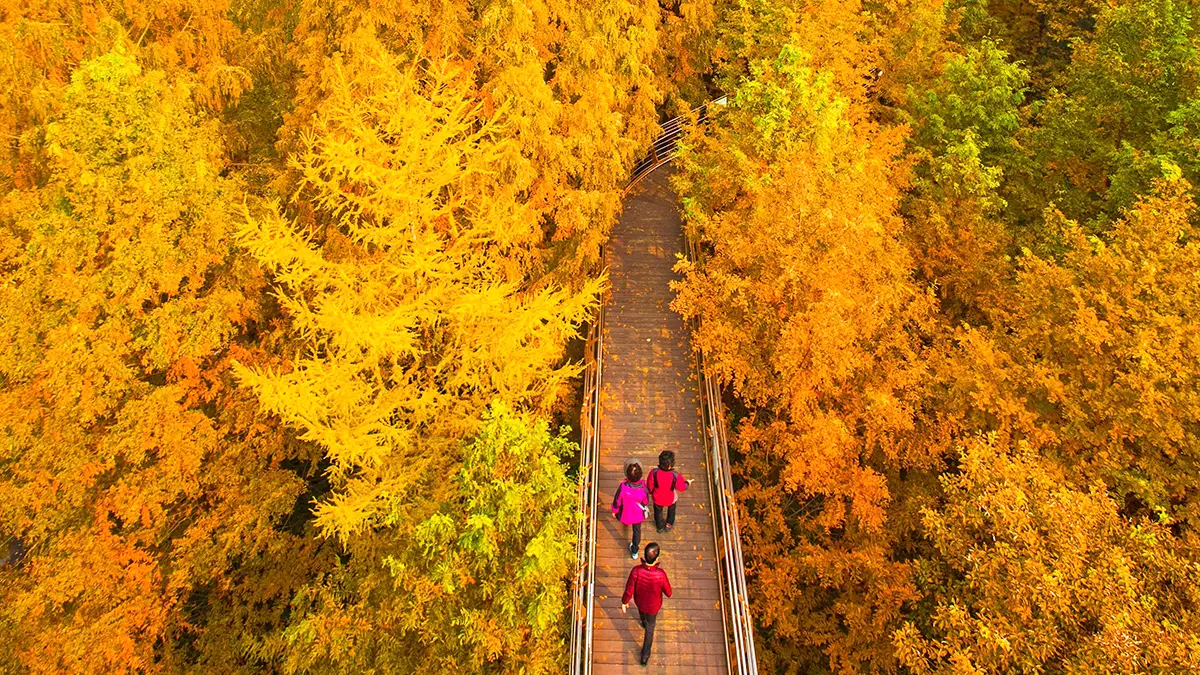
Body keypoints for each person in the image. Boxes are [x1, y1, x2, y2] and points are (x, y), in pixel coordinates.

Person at [621, 542, 673, 666]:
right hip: (653, 607)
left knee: (642, 613)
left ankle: (643, 621)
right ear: (657, 558)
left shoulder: (636, 571)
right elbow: (669, 593)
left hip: (639, 601)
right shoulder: (660, 574)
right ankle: (644, 656)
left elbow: (629, 590)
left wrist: (624, 602)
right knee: (650, 629)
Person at [612, 459, 650, 559]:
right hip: (638, 515)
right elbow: (645, 501)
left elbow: (617, 501)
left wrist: (615, 511)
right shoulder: (643, 487)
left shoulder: (623, 487)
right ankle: (634, 551)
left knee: (629, 523)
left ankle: (634, 550)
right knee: (637, 531)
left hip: (626, 514)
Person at [648, 450, 692, 532]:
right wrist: (687, 483)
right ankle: (669, 523)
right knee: (672, 510)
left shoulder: (653, 472)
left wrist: (651, 492)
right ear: (670, 465)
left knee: (658, 512)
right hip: (670, 499)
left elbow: (650, 486)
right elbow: (681, 487)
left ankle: (660, 526)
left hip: (657, 498)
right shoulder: (675, 475)